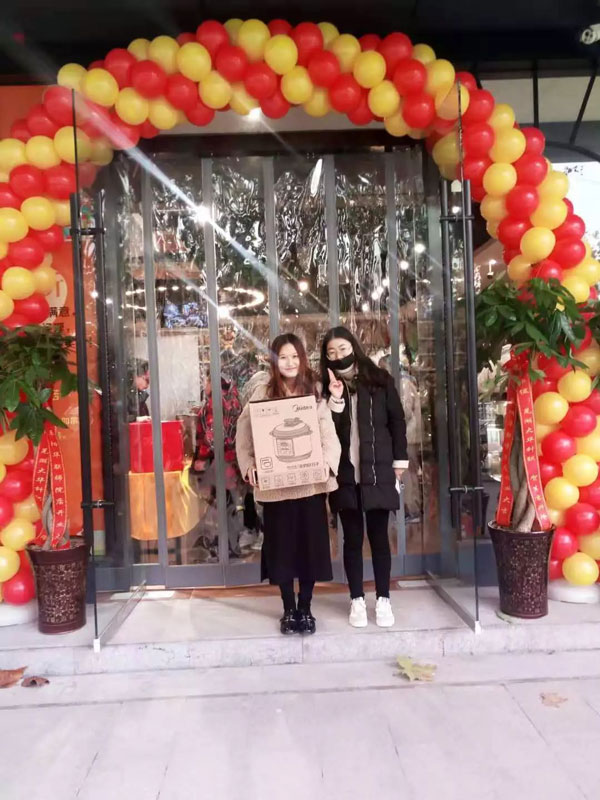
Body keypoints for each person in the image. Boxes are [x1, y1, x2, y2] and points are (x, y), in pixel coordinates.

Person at [236, 333, 341, 635]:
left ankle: (305, 608)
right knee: (281, 550)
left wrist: (327, 463)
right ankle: (287, 609)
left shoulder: (314, 392)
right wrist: (249, 464)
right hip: (276, 488)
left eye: (295, 356)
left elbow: (327, 431)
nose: (290, 362)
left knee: (310, 548)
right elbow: (244, 431)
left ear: (302, 359)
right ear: (274, 361)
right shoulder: (262, 393)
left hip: (310, 485)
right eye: (283, 357)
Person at [321, 326, 408, 628]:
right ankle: (356, 599)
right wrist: (335, 399)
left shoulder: (379, 380)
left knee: (380, 537)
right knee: (352, 539)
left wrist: (399, 462)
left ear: (353, 347)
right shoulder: (326, 388)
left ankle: (383, 598)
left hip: (378, 471)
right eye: (331, 352)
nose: (338, 356)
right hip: (345, 475)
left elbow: (397, 421)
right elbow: (326, 431)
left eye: (343, 349)